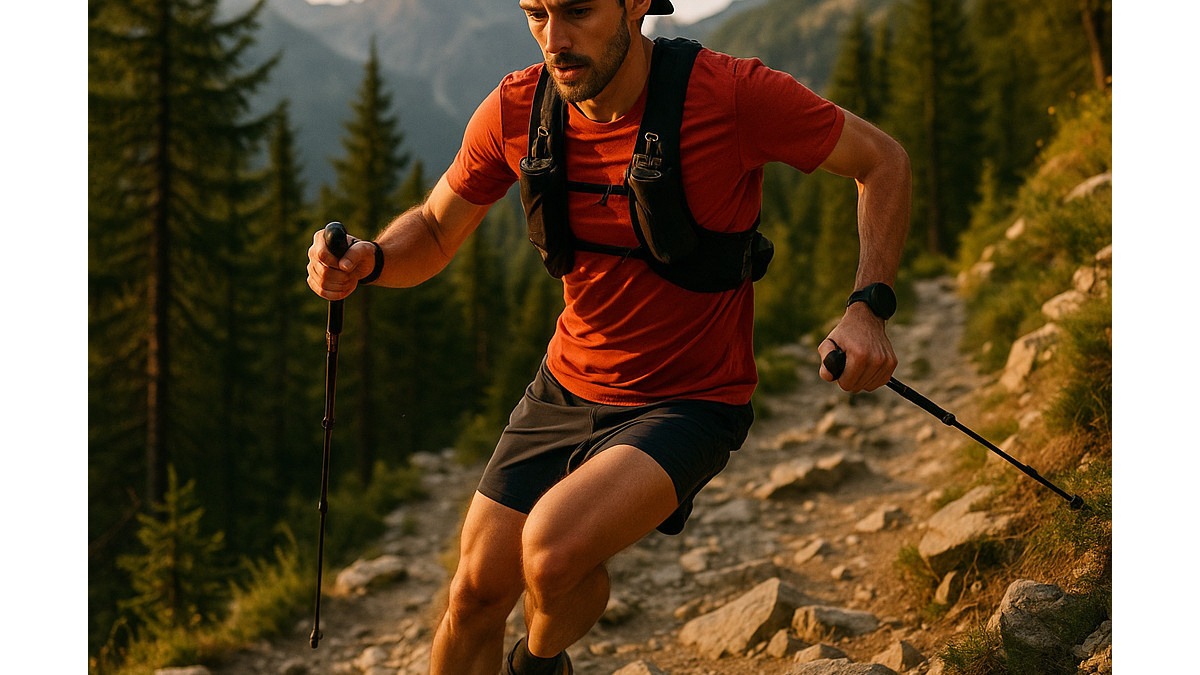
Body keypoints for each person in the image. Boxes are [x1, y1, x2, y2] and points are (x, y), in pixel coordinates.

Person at [306, 0, 911, 672]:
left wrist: (868, 307)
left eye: (577, 10)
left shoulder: (730, 95)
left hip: (691, 401)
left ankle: (537, 664)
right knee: (475, 591)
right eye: (534, 13)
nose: (553, 38)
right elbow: (438, 228)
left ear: (634, 3)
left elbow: (882, 160)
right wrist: (373, 259)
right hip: (565, 387)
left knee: (551, 551)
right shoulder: (516, 110)